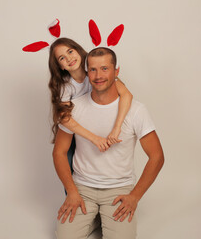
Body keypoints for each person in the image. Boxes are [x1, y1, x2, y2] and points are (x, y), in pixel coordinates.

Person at [53, 47, 165, 239]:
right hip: (82, 189)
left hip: (119, 190)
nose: (99, 75)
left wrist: (134, 197)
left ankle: (102, 216)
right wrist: (71, 192)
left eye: (105, 69)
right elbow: (59, 152)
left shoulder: (136, 110)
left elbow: (157, 156)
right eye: (93, 70)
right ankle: (94, 215)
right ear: (87, 73)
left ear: (116, 72)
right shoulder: (74, 107)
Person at [48, 38, 133, 152]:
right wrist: (94, 138)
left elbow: (126, 95)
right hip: (76, 132)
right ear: (60, 66)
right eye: (62, 58)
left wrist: (117, 127)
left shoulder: (95, 73)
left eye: (70, 51)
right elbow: (64, 118)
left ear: (78, 51)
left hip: (98, 124)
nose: (69, 58)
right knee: (67, 159)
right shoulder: (65, 86)